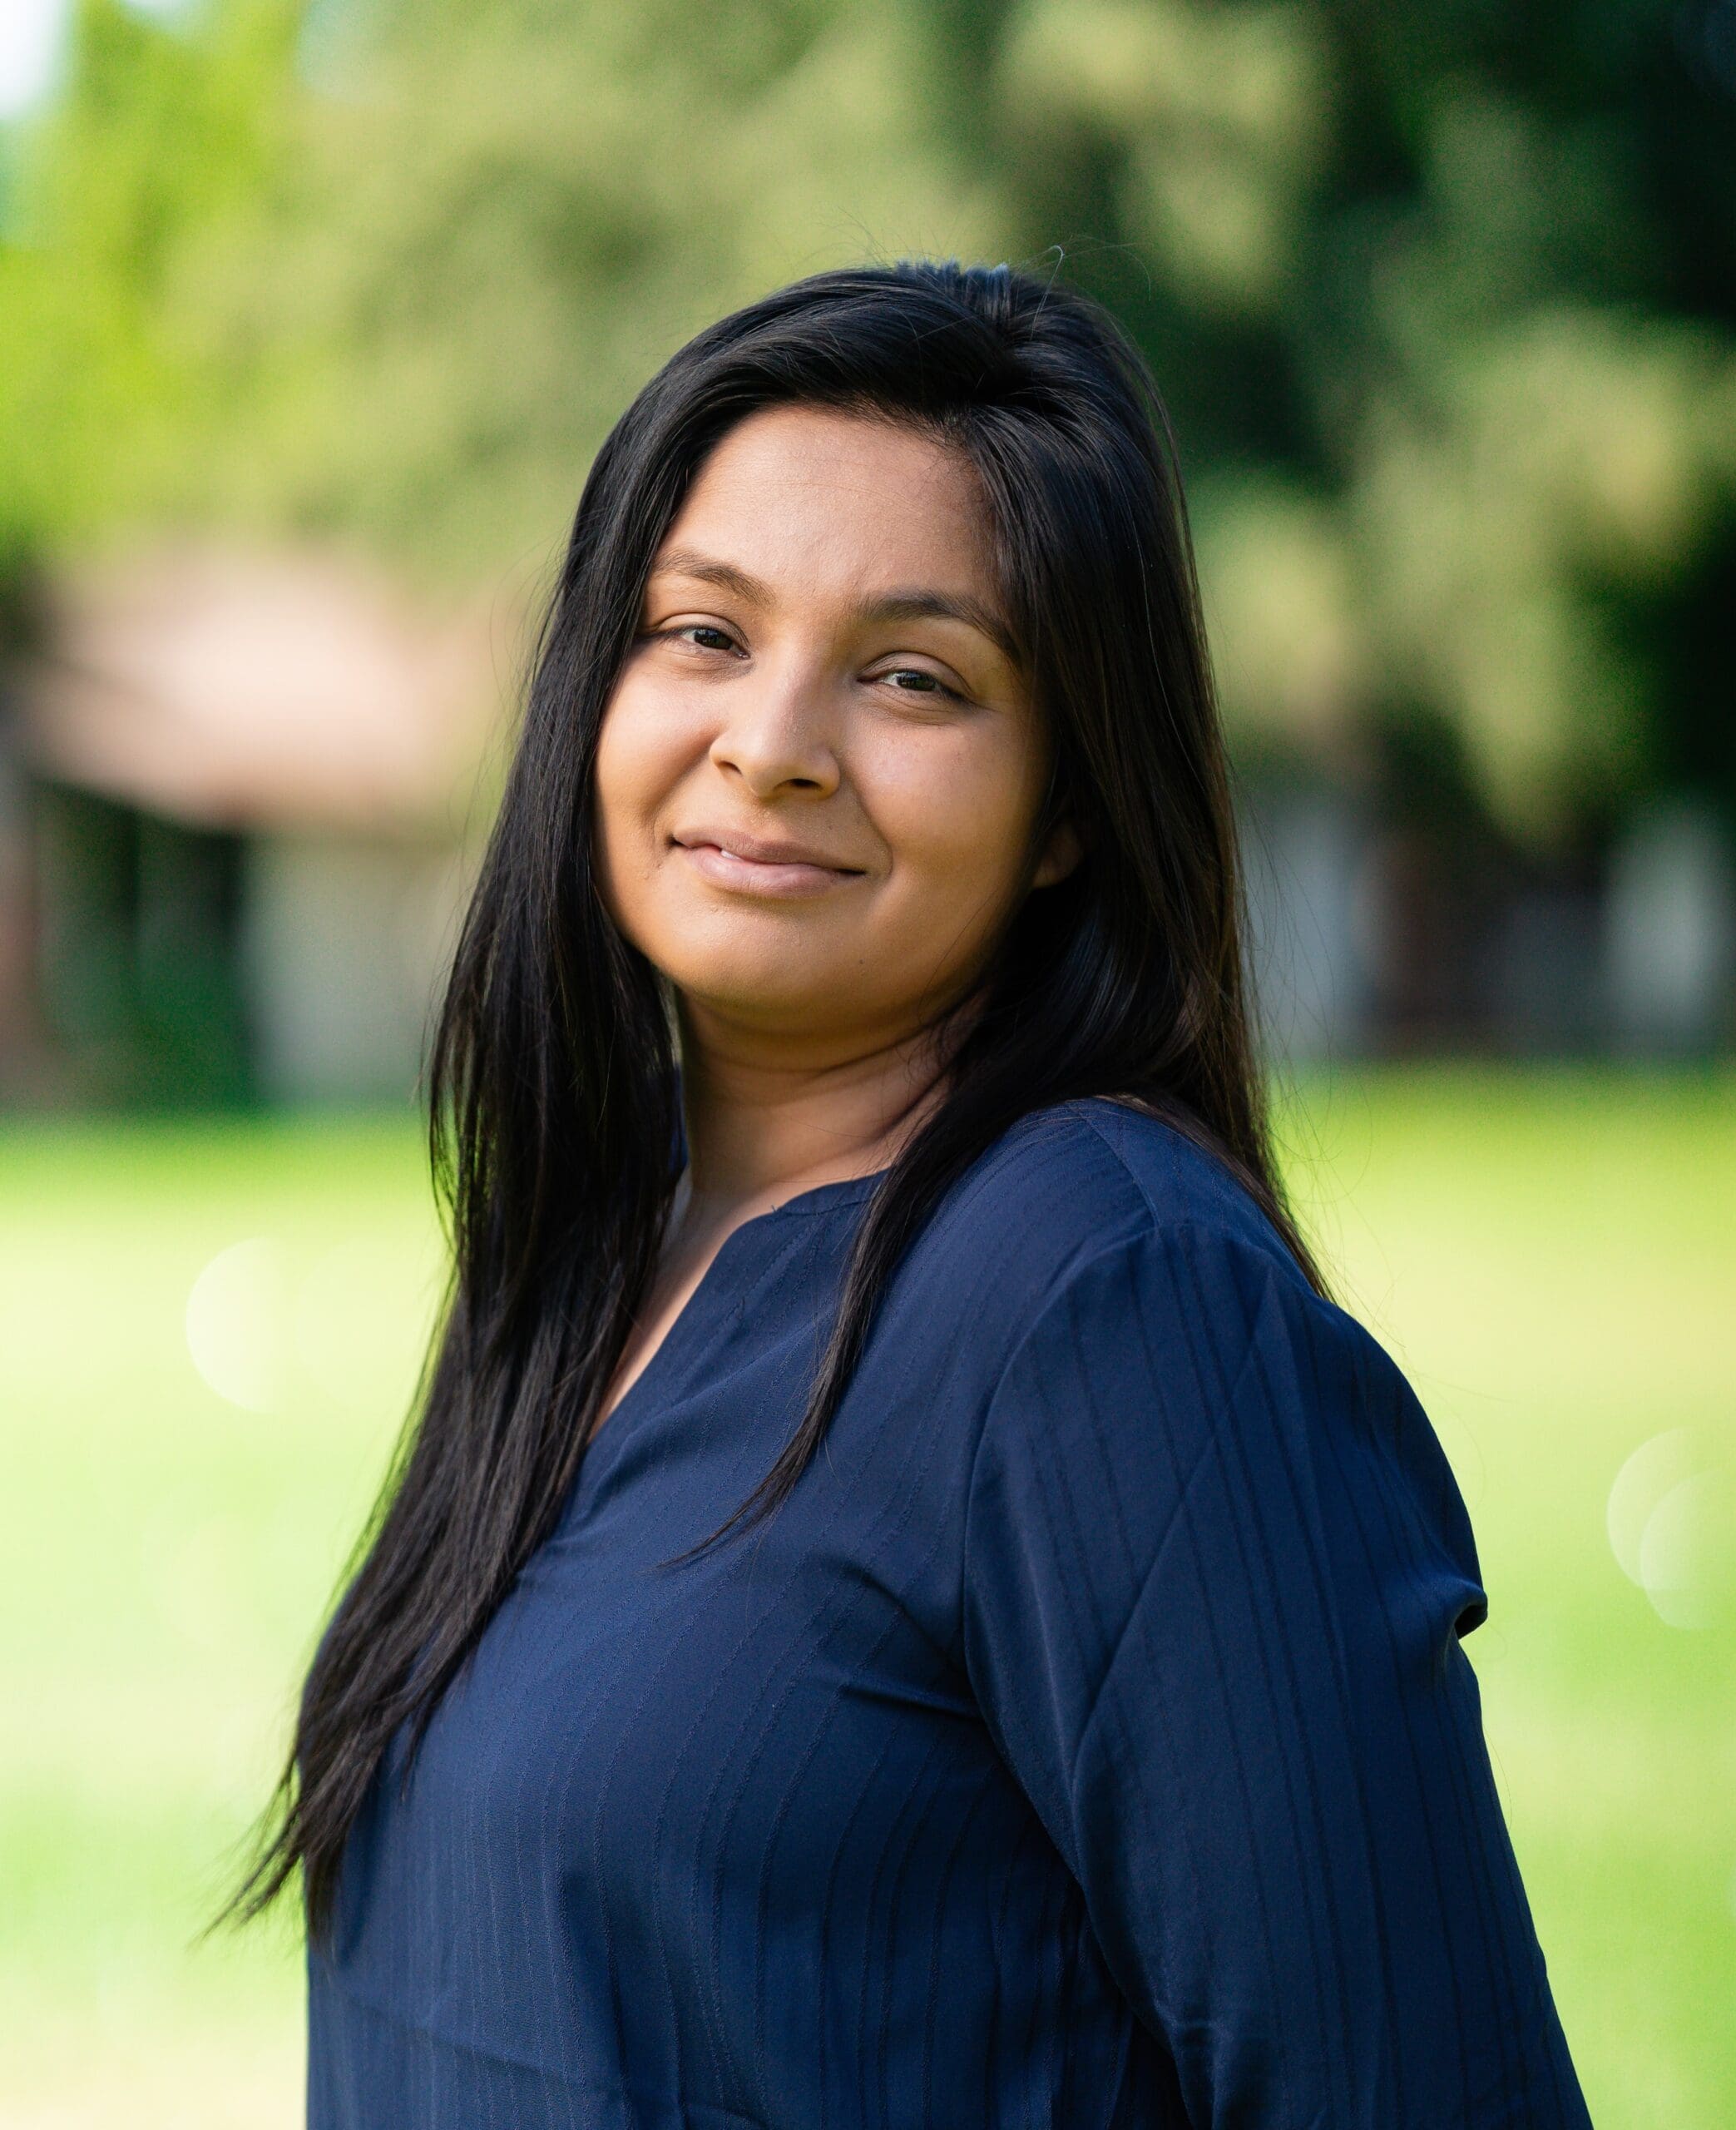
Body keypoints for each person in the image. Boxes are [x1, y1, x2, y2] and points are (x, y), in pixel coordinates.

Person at [235, 260, 1592, 2128]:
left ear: (1067, 810)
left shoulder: (1112, 1306)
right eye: (702, 632)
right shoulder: (590, 1237)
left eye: (912, 676)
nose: (772, 742)